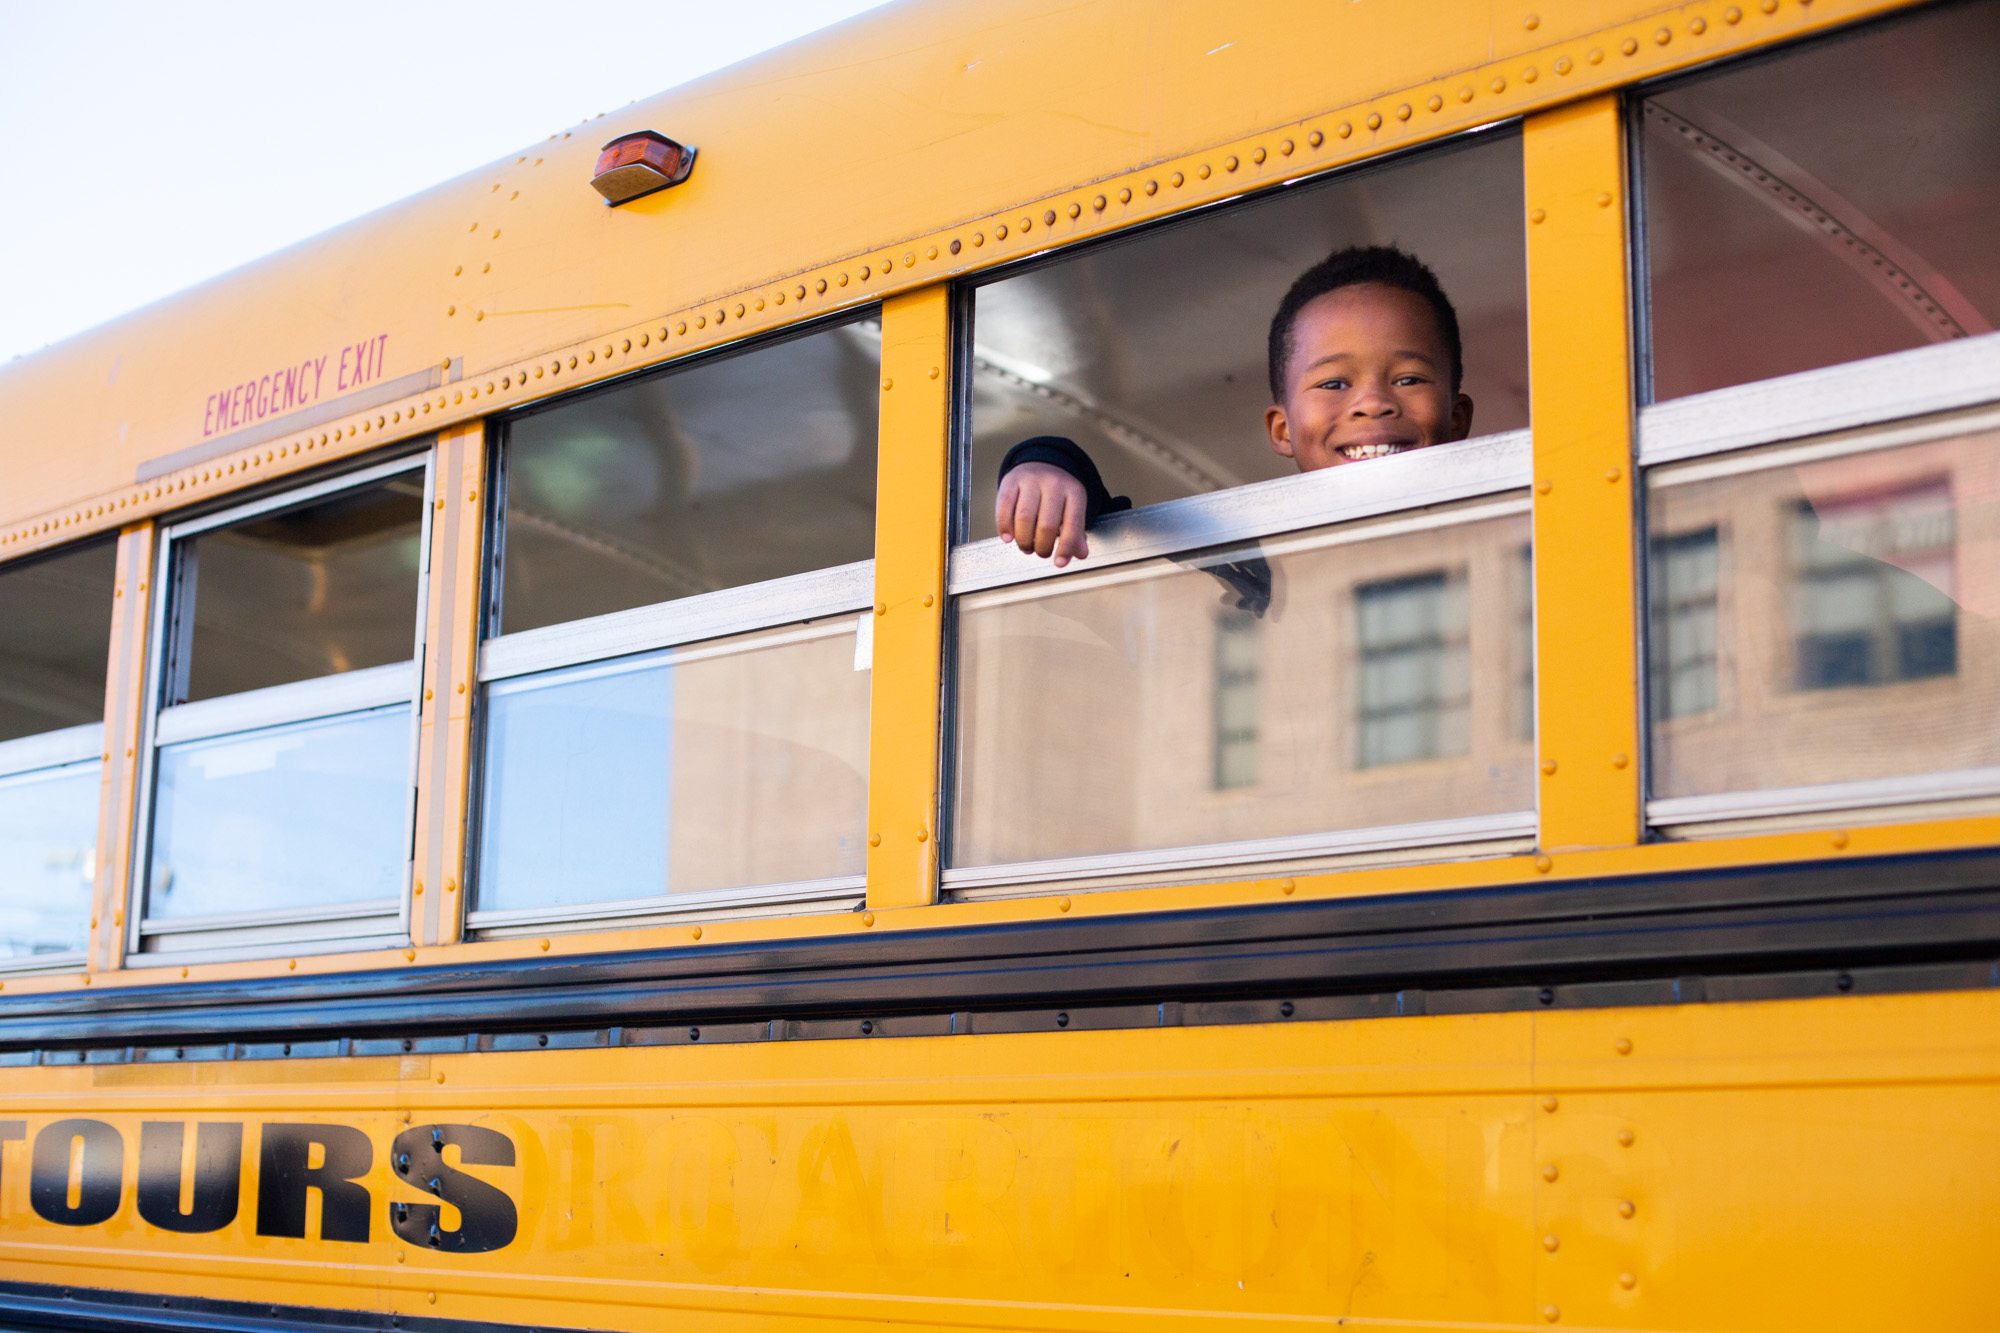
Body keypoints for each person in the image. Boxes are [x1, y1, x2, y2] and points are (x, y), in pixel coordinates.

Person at [993, 244, 1476, 567]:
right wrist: (1049, 465)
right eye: (1333, 383)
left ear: (1458, 419)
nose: (1372, 403)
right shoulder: (1260, 568)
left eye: (1408, 379)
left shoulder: (1511, 530)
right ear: (1282, 430)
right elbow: (1138, 537)